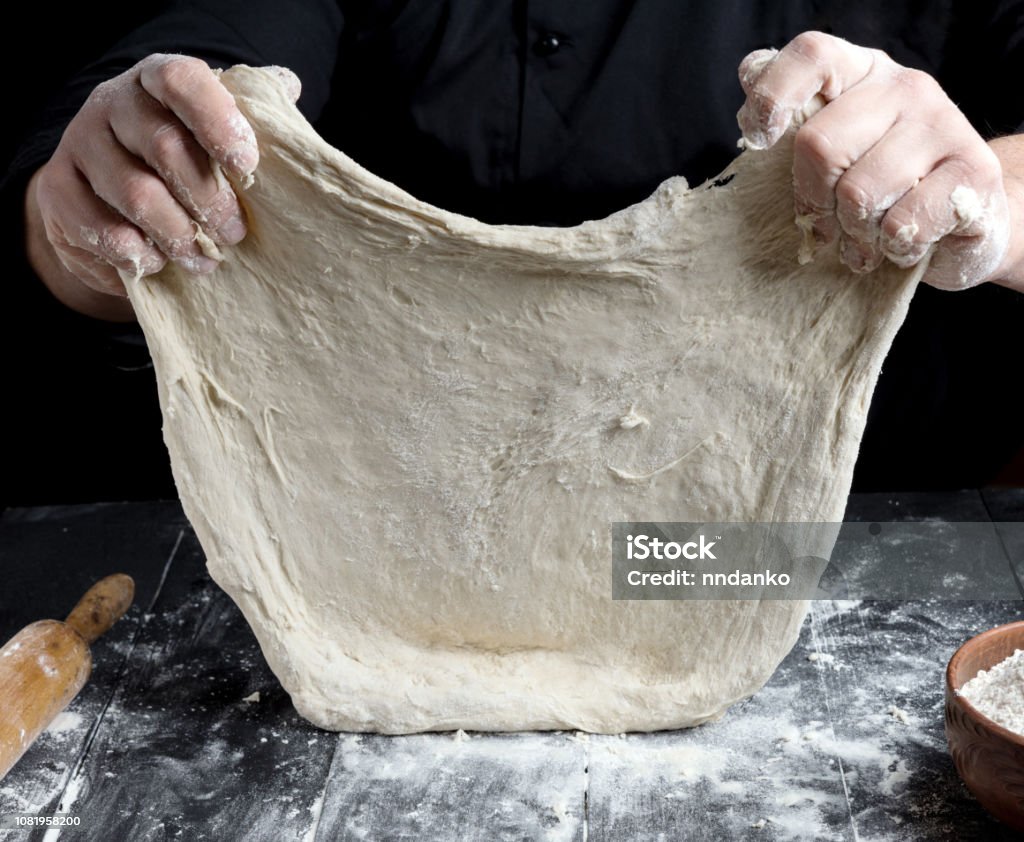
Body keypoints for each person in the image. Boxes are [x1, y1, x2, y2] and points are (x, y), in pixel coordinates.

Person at [5, 1, 1024, 502]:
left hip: (781, 544)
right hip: (378, 515)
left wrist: (983, 200)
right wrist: (96, 207)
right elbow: (178, 75)